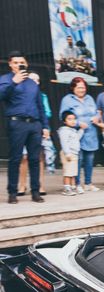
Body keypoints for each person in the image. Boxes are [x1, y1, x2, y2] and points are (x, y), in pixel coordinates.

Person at [0, 51, 50, 204]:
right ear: (10, 64)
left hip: (34, 124)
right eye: (15, 63)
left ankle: (35, 191)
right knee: (16, 159)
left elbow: (40, 105)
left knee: (35, 159)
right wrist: (14, 82)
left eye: (21, 62)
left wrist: (45, 126)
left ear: (26, 64)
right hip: (17, 123)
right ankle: (12, 193)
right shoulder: (6, 80)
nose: (18, 65)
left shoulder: (31, 83)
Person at [59, 76, 100, 193]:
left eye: (83, 87)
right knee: (78, 160)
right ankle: (76, 183)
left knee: (89, 160)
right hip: (76, 135)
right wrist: (77, 123)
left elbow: (96, 112)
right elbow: (63, 116)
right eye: (79, 87)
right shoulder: (67, 100)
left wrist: (97, 118)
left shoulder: (89, 98)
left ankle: (88, 183)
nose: (82, 90)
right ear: (73, 88)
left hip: (90, 133)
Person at [17, 72, 54, 196]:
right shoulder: (20, 95)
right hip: (23, 127)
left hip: (39, 127)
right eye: (31, 79)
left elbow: (48, 113)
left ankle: (40, 186)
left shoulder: (43, 96)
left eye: (36, 80)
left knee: (39, 157)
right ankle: (22, 186)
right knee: (24, 158)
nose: (34, 82)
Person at [58, 110, 82, 196]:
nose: (73, 121)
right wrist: (67, 153)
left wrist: (81, 130)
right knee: (68, 172)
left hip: (74, 153)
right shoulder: (64, 130)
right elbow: (64, 142)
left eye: (74, 119)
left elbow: (77, 138)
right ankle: (66, 188)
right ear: (64, 121)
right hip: (68, 154)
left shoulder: (73, 130)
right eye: (69, 119)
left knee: (73, 172)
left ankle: (72, 187)